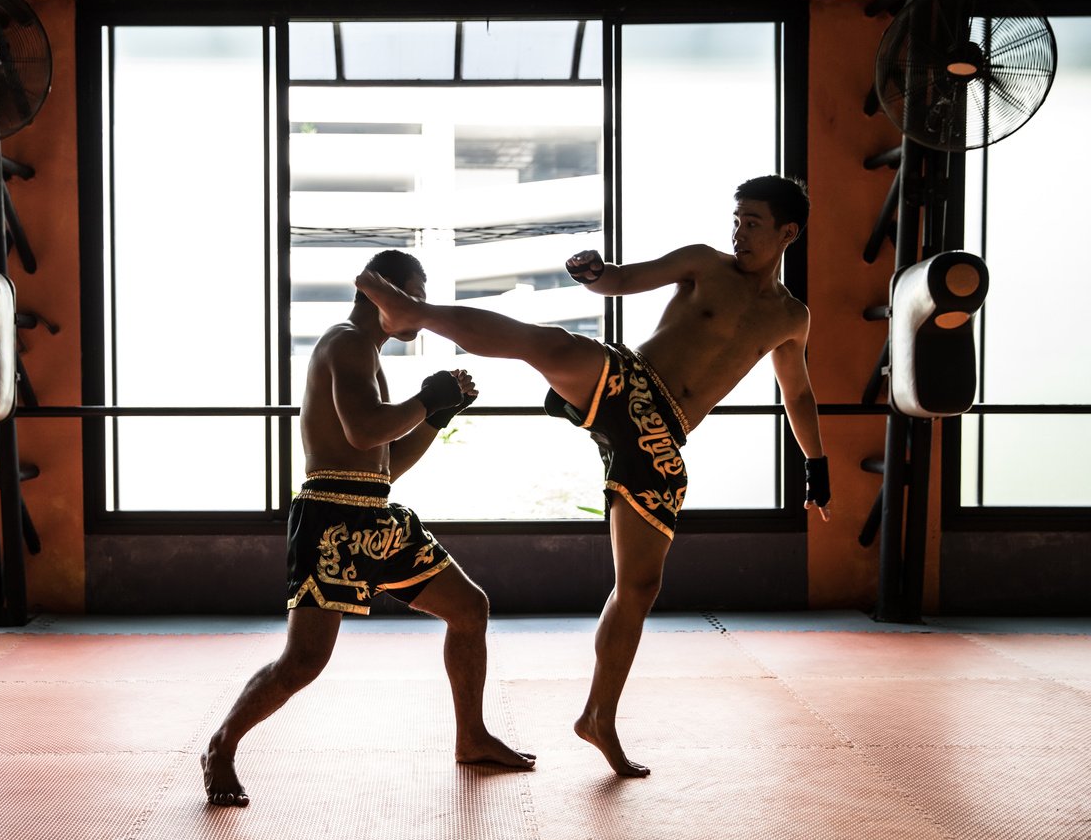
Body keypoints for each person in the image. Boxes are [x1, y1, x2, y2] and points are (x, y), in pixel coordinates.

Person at [355, 175, 831, 778]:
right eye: (736, 219)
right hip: (631, 383)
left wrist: (816, 464)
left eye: (753, 222)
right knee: (546, 343)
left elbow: (800, 394)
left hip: (663, 440)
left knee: (639, 586)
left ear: (788, 232)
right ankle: (414, 312)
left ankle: (599, 717)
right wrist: (593, 273)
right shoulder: (703, 264)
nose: (739, 231)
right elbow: (625, 279)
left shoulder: (792, 317)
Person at [202, 249, 535, 807]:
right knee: (305, 660)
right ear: (380, 295)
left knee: (469, 608)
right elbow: (361, 431)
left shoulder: (365, 351)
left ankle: (472, 736)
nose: (421, 309)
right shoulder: (346, 342)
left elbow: (385, 464)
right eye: (413, 296)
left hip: (375, 513)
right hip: (331, 517)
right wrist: (427, 397)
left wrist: (436, 415)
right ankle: (222, 745)